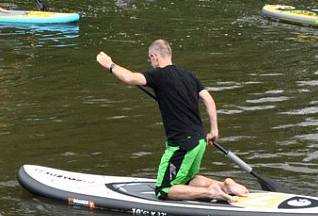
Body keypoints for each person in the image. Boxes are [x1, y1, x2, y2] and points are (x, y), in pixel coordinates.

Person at [96, 40, 248, 202]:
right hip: (199, 141)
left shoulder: (158, 75)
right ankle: (225, 185)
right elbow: (209, 100)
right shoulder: (190, 76)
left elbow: (129, 78)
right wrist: (214, 131)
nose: (151, 63)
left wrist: (110, 65)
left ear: (155, 56)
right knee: (187, 180)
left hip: (182, 145)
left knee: (163, 190)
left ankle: (212, 192)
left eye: (150, 59)